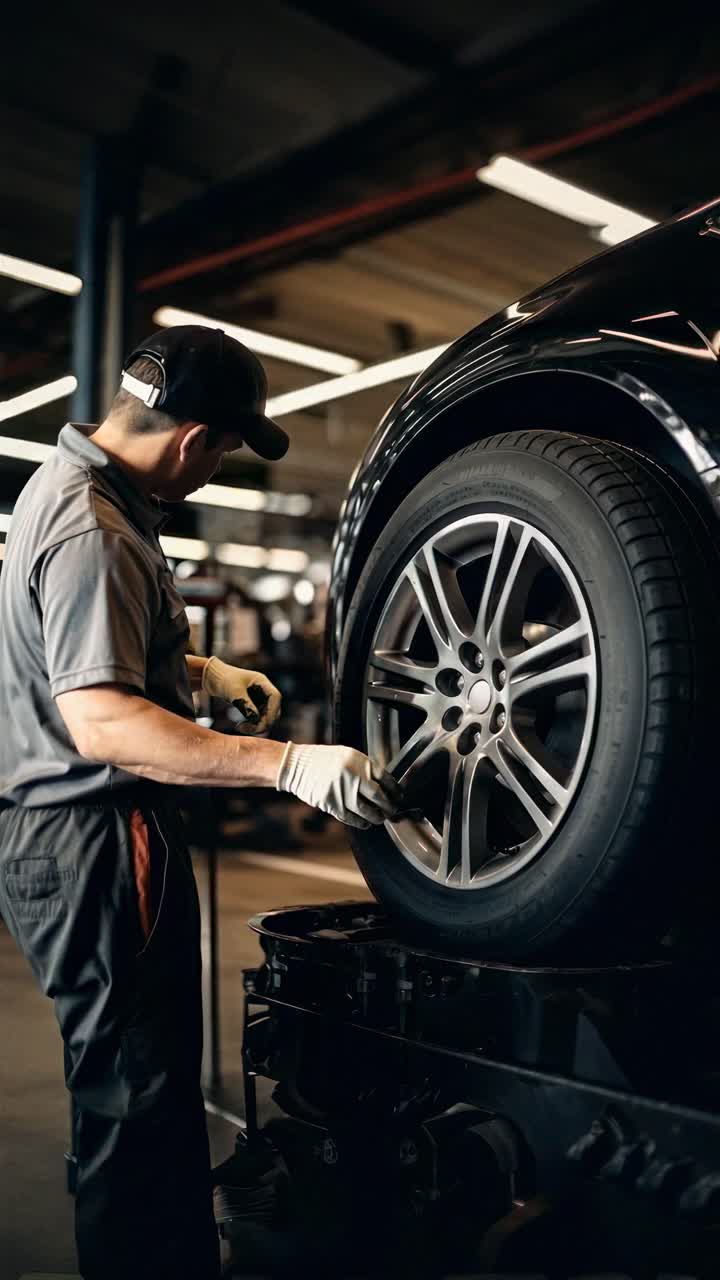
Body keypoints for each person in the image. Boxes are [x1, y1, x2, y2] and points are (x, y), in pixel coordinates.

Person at [0, 325, 400, 1280]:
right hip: (97, 835)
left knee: (131, 1090)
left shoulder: (70, 490)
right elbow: (102, 725)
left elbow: (86, 656)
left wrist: (195, 671)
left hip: (61, 836)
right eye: (222, 450)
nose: (213, 470)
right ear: (193, 442)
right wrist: (285, 764)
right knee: (137, 1105)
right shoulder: (94, 528)